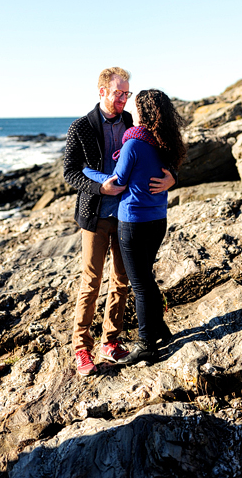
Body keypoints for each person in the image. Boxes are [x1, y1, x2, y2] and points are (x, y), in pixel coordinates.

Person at [63, 68, 175, 377]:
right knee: (91, 281)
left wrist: (172, 178)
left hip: (129, 217)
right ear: (101, 92)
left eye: (127, 94)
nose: (123, 99)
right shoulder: (81, 127)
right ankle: (81, 348)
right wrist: (100, 186)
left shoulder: (131, 122)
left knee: (123, 281)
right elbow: (71, 172)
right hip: (96, 214)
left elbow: (161, 154)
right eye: (118, 94)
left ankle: (109, 342)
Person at [82, 89, 186, 366]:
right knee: (146, 279)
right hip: (158, 221)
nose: (131, 108)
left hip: (134, 223)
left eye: (136, 105)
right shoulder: (165, 143)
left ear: (144, 112)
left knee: (139, 285)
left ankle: (146, 345)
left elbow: (118, 181)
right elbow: (166, 172)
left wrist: (87, 171)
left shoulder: (135, 144)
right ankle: (160, 330)